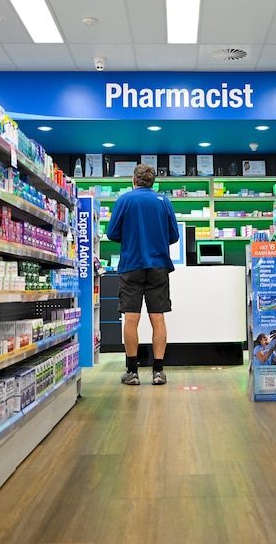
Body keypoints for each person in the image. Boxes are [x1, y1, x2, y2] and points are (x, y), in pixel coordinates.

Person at [106, 163, 180, 385]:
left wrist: (131, 237)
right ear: (153, 182)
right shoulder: (163, 201)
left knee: (131, 317)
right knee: (158, 317)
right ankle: (158, 371)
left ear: (134, 180)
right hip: (158, 266)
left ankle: (132, 372)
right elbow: (174, 236)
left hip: (131, 265)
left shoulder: (125, 200)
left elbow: (111, 233)